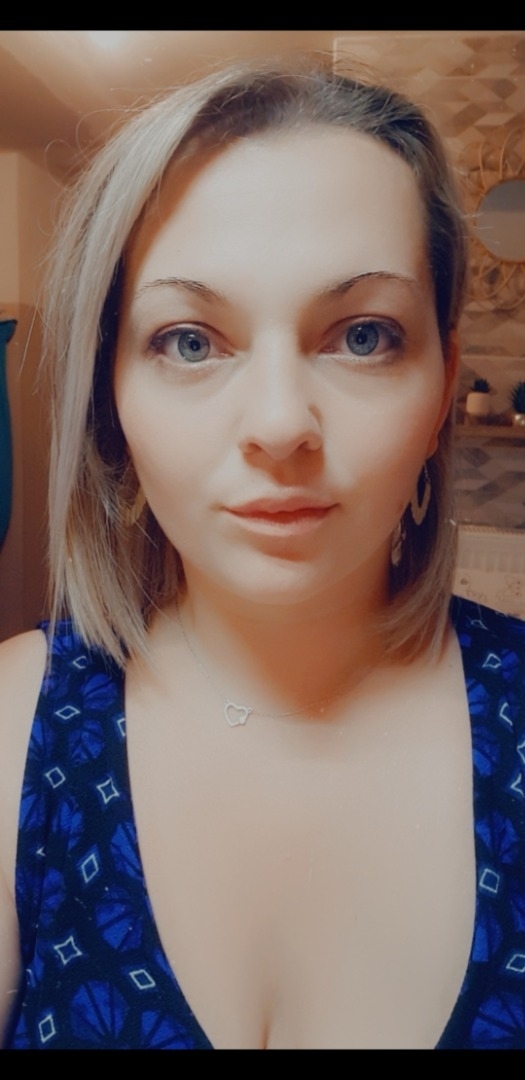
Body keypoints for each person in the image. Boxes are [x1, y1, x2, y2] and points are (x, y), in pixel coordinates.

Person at [1, 59, 524, 1051]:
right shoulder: (14, 726)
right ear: (112, 396)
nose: (281, 423)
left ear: (442, 388)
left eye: (362, 336)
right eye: (191, 341)